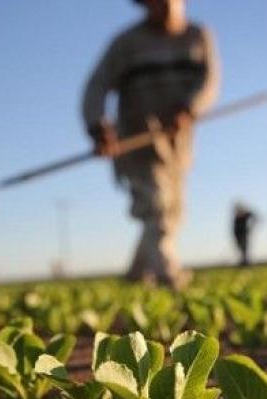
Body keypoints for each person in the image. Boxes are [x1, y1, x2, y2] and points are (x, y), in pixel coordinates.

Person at [82, 0, 220, 289]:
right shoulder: (127, 43)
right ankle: (169, 276)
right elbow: (96, 86)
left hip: (177, 145)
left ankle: (136, 275)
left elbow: (209, 81)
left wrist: (189, 108)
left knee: (172, 212)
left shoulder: (198, 36)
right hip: (136, 141)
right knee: (155, 207)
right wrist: (98, 126)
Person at [233, 202, 258, 266]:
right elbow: (234, 228)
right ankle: (243, 261)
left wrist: (251, 226)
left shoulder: (246, 214)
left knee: (244, 248)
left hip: (244, 234)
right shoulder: (236, 217)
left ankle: (245, 262)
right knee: (241, 248)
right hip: (238, 235)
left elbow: (255, 217)